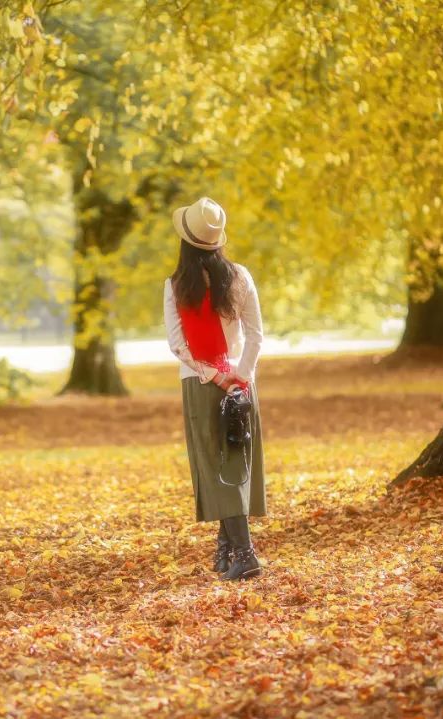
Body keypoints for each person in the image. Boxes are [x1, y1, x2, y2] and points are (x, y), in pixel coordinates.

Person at [163, 196, 266, 581]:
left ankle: (244, 552)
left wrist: (215, 375)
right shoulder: (240, 277)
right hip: (242, 384)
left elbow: (177, 345)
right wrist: (240, 374)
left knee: (213, 465)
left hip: (202, 385)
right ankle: (226, 550)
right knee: (235, 463)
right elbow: (256, 335)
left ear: (185, 242)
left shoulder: (175, 287)